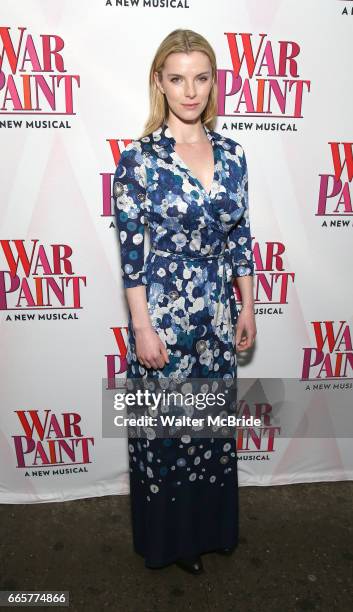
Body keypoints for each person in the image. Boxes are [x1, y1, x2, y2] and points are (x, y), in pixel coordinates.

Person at [113, 28, 257, 574]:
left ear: (213, 82)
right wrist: (142, 327)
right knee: (169, 435)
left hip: (219, 315)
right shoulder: (139, 160)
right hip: (166, 319)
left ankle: (212, 530)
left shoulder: (234, 154)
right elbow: (131, 254)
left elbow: (241, 237)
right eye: (177, 78)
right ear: (160, 83)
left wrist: (247, 307)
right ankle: (173, 543)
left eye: (200, 78)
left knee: (210, 432)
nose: (190, 91)